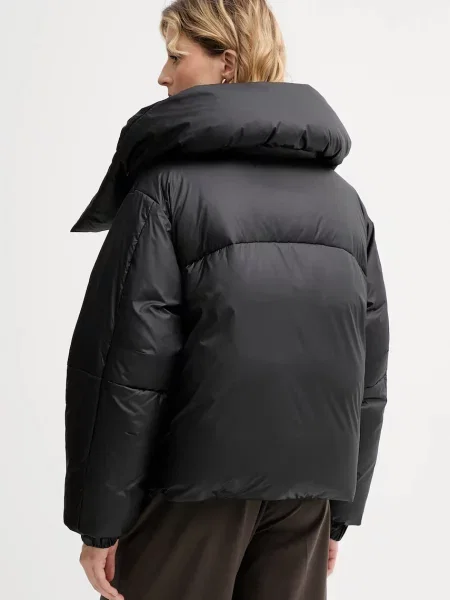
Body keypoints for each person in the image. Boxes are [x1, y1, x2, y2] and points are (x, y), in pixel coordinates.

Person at [63, 1, 390, 599]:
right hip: (304, 499)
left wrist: (100, 521)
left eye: (175, 56)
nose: (162, 76)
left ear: (227, 64)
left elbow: (126, 367)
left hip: (190, 500)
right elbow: (366, 375)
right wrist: (338, 513)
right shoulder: (345, 204)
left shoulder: (166, 191)